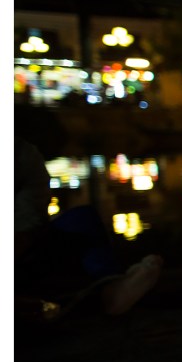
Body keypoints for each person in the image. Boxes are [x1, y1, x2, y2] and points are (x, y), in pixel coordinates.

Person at [15, 135, 163, 322]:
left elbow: (30, 218)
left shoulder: (24, 156)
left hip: (21, 248)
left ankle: (111, 289)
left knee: (82, 219)